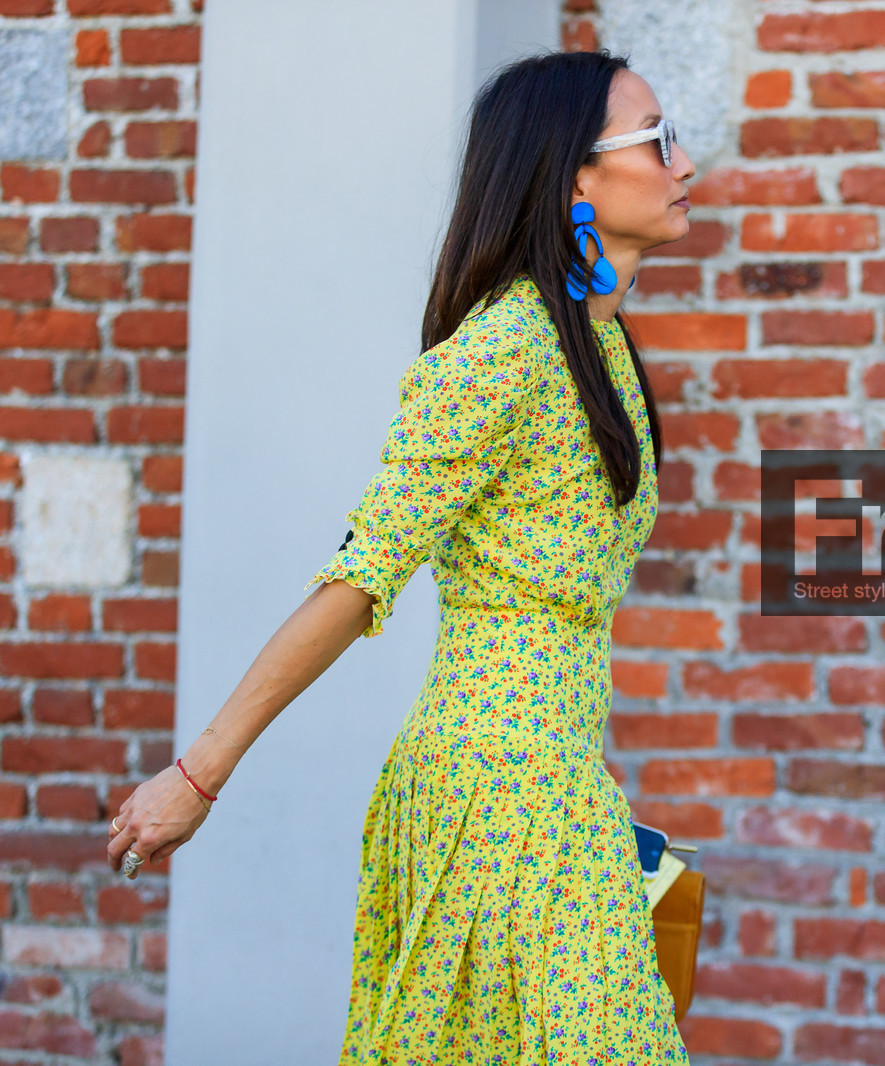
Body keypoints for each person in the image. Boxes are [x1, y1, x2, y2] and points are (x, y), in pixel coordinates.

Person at [104, 51, 695, 1062]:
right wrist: (198, 774)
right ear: (572, 180)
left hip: (555, 780)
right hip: (494, 792)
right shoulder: (504, 349)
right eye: (658, 139)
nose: (687, 161)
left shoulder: (598, 344)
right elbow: (361, 571)